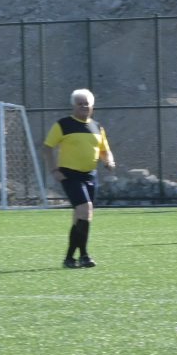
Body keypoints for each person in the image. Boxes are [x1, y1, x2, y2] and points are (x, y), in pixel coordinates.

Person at [44, 88, 114, 268]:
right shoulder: (63, 124)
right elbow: (47, 147)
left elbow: (104, 150)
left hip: (91, 175)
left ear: (92, 107)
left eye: (86, 104)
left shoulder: (97, 127)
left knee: (82, 216)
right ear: (73, 106)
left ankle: (70, 258)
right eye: (80, 104)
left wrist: (109, 161)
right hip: (70, 175)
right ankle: (84, 255)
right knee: (86, 209)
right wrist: (54, 170)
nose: (83, 107)